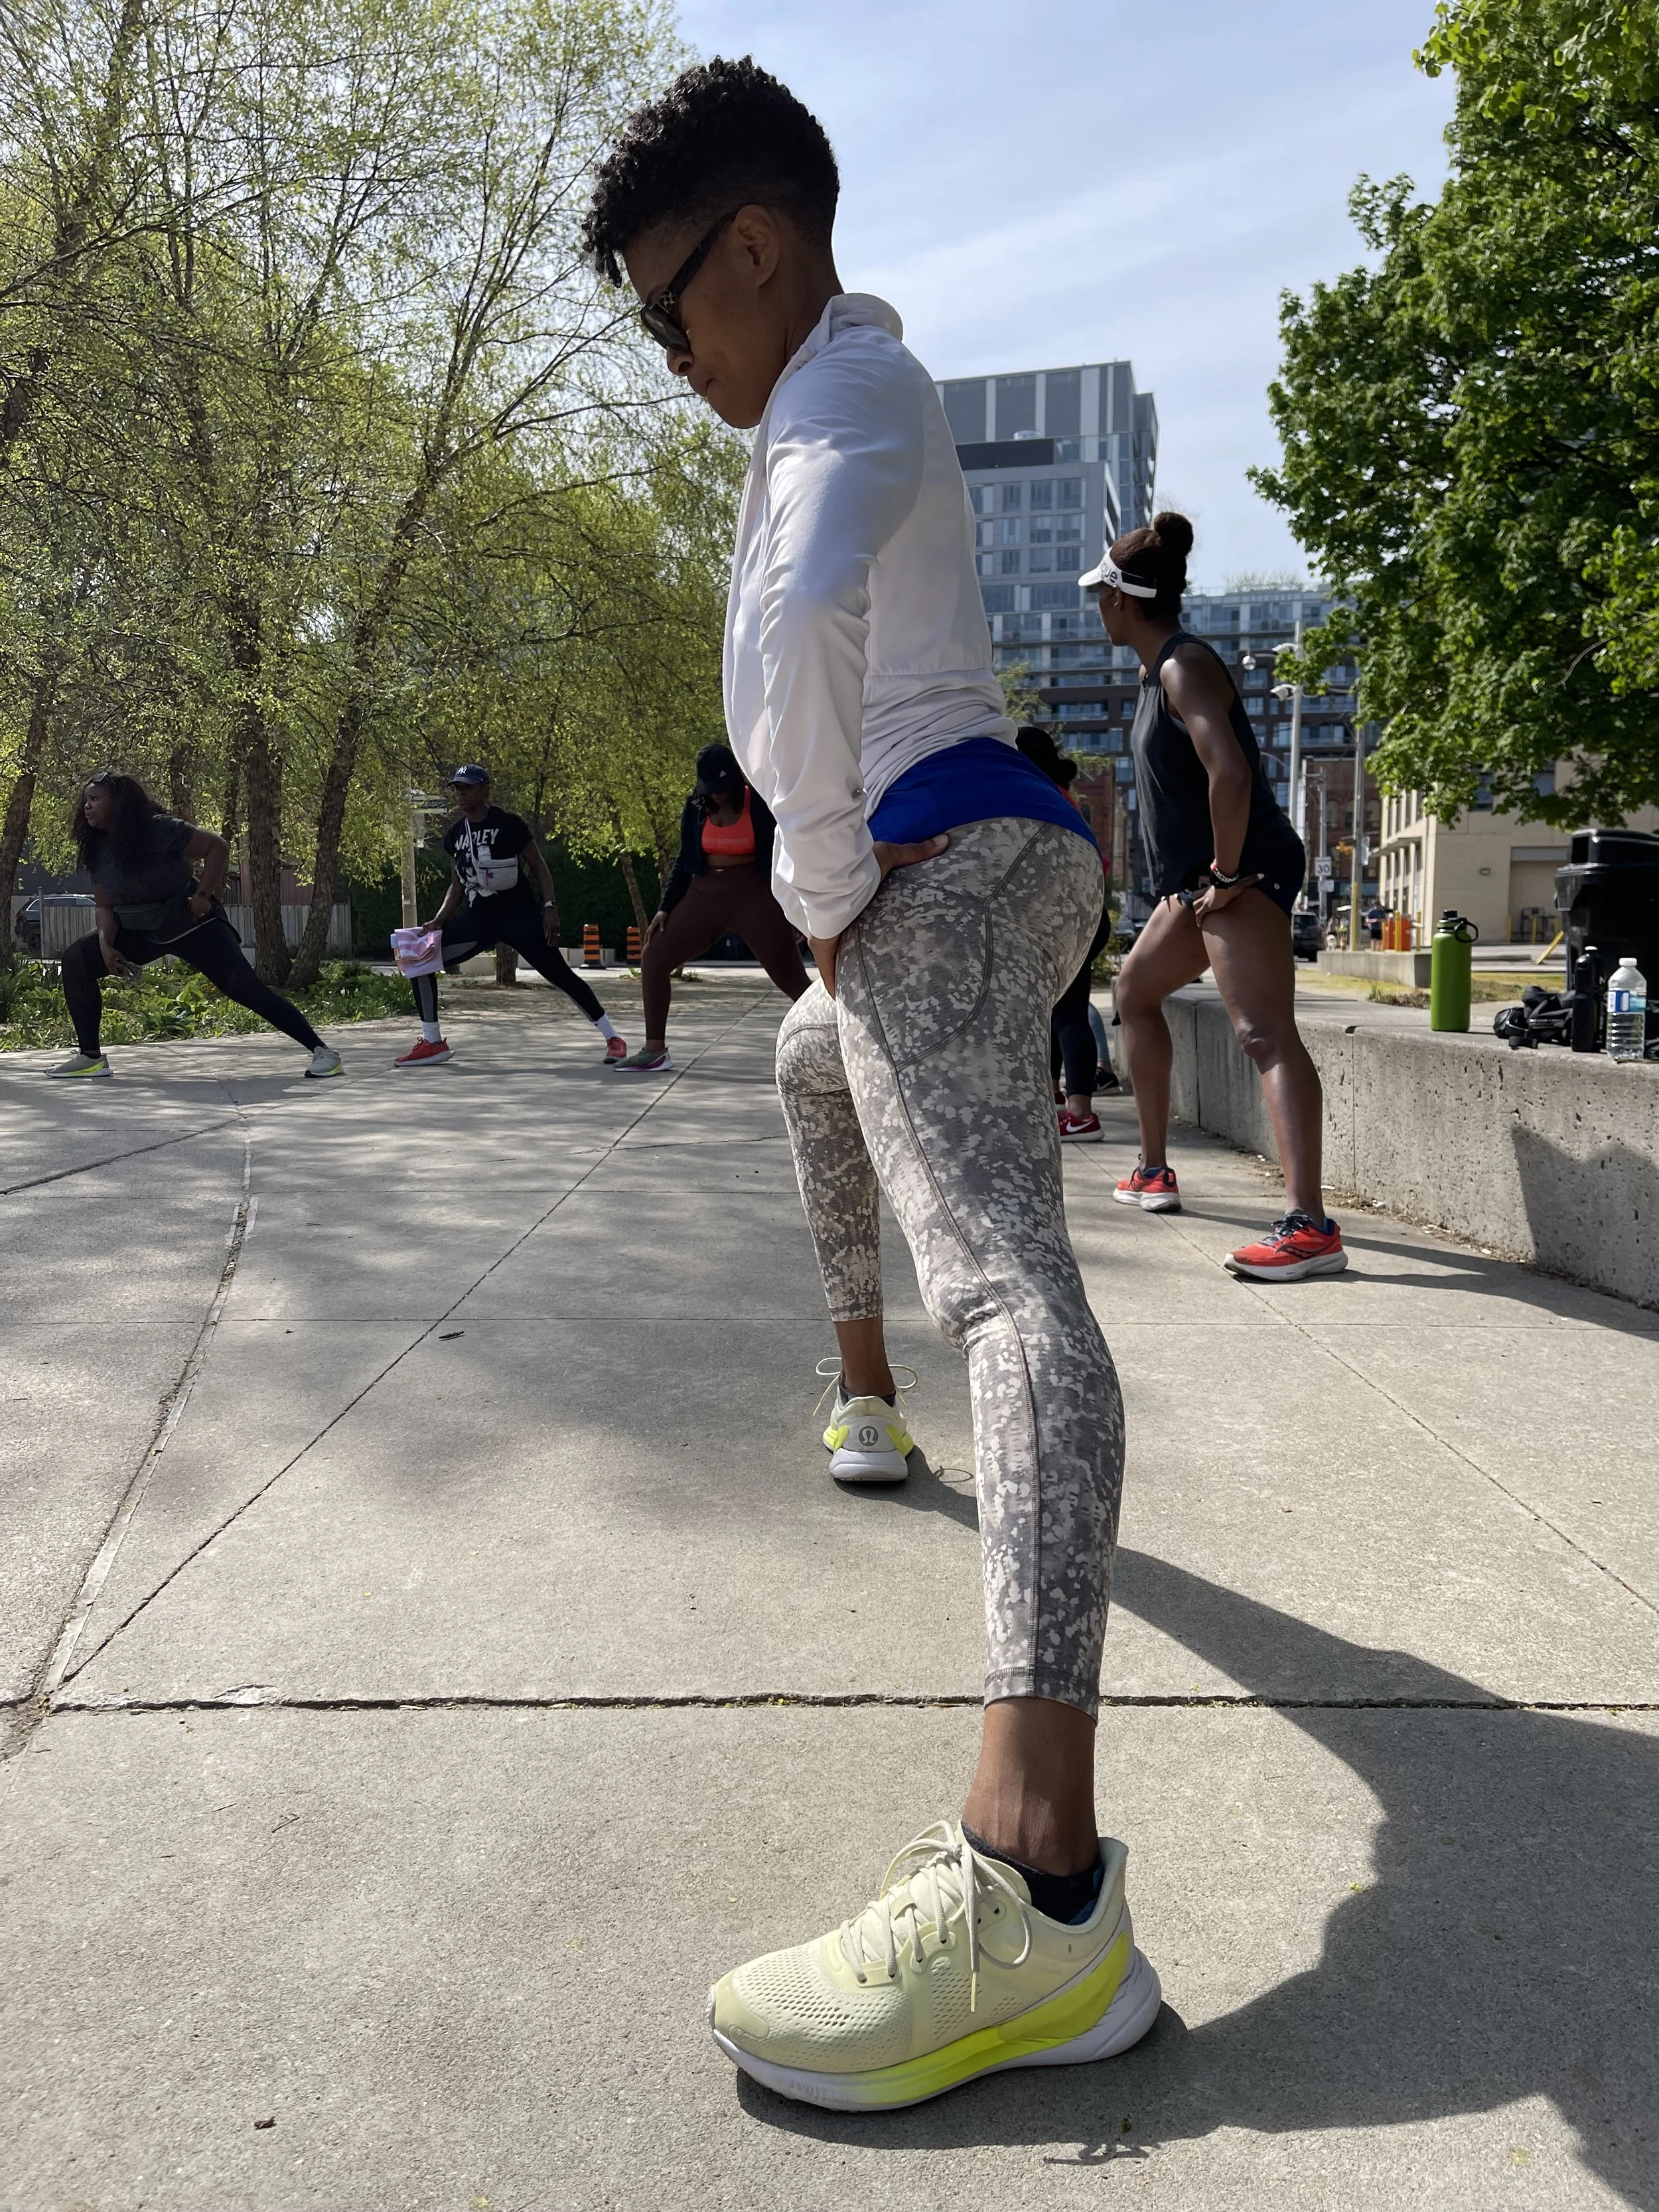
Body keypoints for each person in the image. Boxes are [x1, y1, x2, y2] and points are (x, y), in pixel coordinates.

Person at [584, 54, 1159, 2111]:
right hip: (1001, 851)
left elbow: (799, 629)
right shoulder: (839, 393)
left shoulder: (840, 395)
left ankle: (1035, 1880)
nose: (668, 356)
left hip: (942, 857)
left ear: (754, 250)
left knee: (1004, 1284)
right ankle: (861, 1389)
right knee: (811, 1057)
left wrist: (820, 885)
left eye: (669, 309)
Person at [1082, 517, 1346, 1279]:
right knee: (1134, 992)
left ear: (1120, 600)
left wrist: (1227, 875)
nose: (1095, 608)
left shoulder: (1183, 665)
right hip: (1199, 883)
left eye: (1099, 595)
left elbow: (1228, 774)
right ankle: (1152, 1170)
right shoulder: (1156, 672)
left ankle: (1309, 1227)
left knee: (1263, 1034)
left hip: (1243, 871)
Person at [48, 772, 342, 1081]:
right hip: (143, 929)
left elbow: (217, 847)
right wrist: (106, 947)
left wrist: (202, 896)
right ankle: (91, 1058)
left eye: (95, 799)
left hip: (191, 922)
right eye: (86, 800)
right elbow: (105, 906)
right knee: (77, 962)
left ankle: (324, 1053)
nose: (87, 806)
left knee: (247, 989)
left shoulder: (158, 828)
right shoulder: (96, 849)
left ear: (119, 802)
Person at [394, 766, 626, 1069]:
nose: (461, 793)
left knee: (560, 975)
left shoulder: (508, 824)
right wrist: (438, 920)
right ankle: (433, 1043)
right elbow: (457, 885)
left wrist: (550, 907)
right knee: (420, 961)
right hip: (480, 921)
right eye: (457, 788)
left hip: (520, 918)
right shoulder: (455, 834)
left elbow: (539, 866)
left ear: (485, 789)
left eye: (467, 787)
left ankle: (613, 1037)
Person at [611, 742, 809, 1074]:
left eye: (721, 786)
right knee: (654, 955)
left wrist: (795, 909)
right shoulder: (696, 807)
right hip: (704, 896)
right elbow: (683, 859)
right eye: (710, 787)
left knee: (793, 981)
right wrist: (665, 907)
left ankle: (839, 1043)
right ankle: (655, 1051)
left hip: (754, 898)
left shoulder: (758, 803)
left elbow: (782, 856)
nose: (716, 794)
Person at [1015, 726, 1120, 1143]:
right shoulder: (1058, 793)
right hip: (1080, 915)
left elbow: (1093, 861)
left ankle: (1081, 1115)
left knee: (1068, 1015)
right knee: (1056, 1013)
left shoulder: (1037, 794)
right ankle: (1057, 1101)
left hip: (1071, 918)